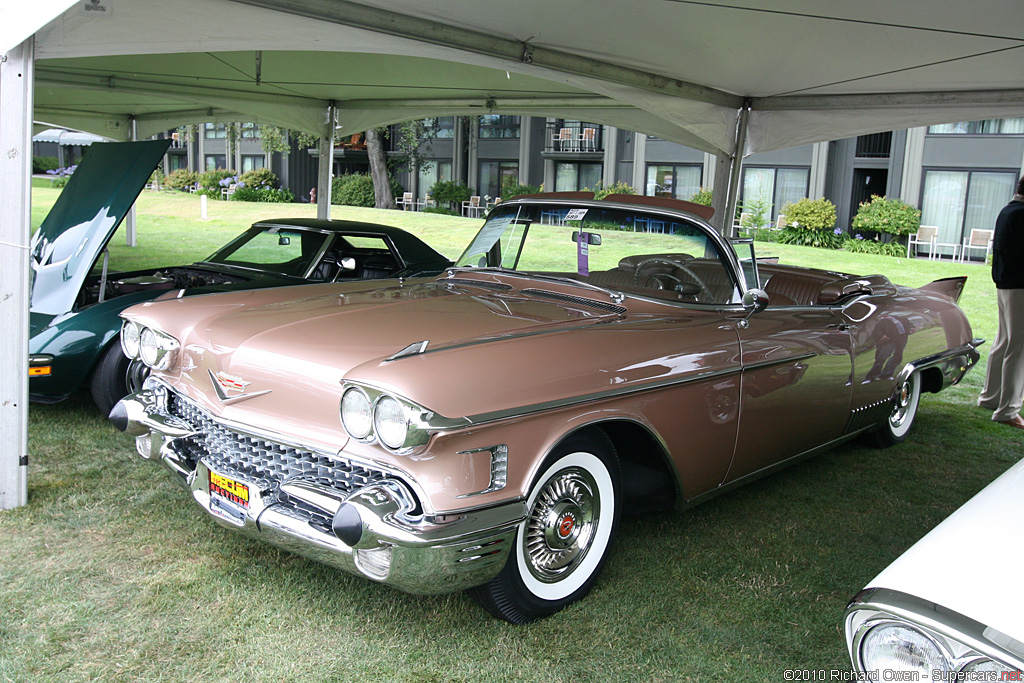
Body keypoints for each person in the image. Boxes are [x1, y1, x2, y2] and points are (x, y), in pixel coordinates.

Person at [978, 176, 1024, 430]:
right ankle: (1008, 410)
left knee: (1004, 341)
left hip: (1006, 284)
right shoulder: (1021, 214)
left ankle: (990, 397)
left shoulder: (1008, 211)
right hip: (1020, 286)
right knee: (1018, 348)